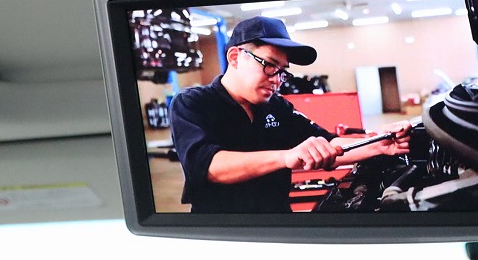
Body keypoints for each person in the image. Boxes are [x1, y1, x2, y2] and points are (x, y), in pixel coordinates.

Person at [169, 15, 412, 213]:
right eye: (269, 65)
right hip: (222, 231)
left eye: (282, 71)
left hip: (278, 221)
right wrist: (286, 157)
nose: (277, 80)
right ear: (235, 57)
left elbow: (328, 144)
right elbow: (208, 167)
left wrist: (379, 144)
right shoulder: (193, 103)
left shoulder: (276, 106)